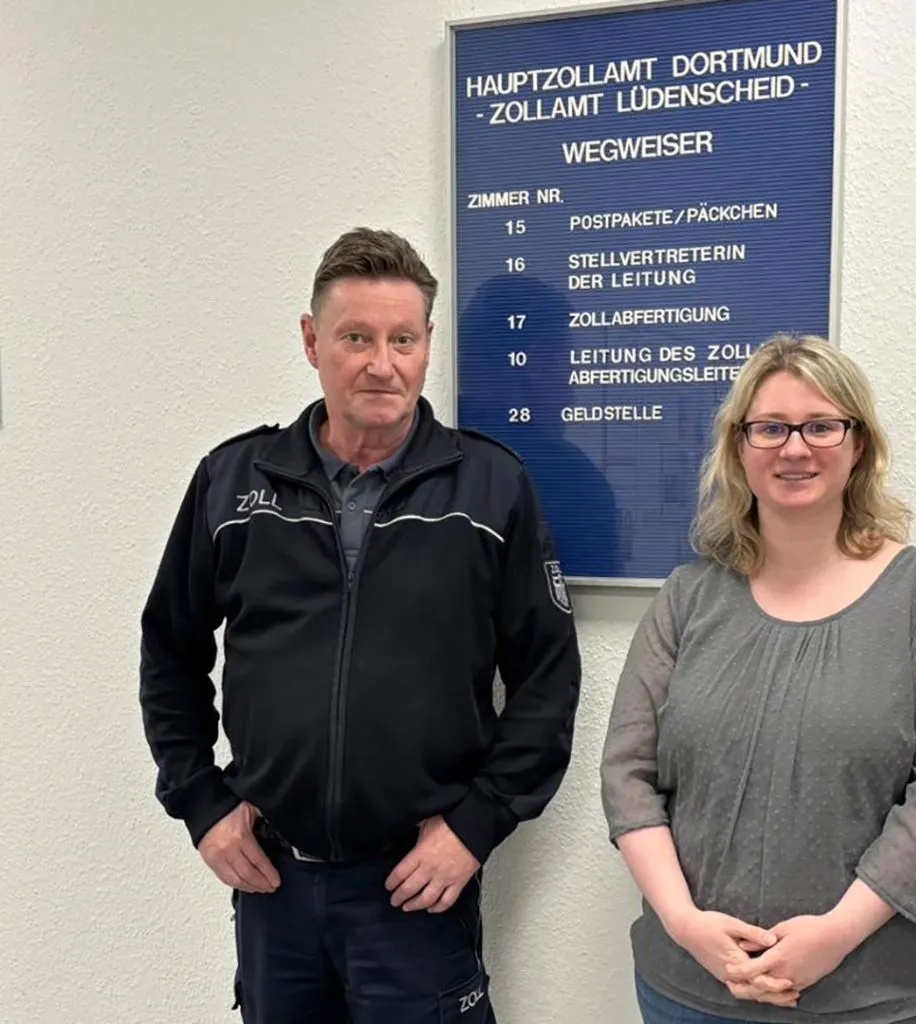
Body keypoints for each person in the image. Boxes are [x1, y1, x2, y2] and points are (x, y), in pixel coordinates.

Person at [138, 227, 583, 1022]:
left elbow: (547, 678)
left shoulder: (491, 488)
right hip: (274, 885)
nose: (383, 363)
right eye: (356, 338)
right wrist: (200, 801)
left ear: (427, 345)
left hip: (415, 888)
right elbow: (170, 648)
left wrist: (475, 827)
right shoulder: (233, 482)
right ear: (312, 341)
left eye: (402, 339)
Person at [600, 334, 916, 1023]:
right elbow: (627, 773)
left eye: (821, 426)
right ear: (739, 448)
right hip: (690, 990)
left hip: (875, 998)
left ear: (859, 444)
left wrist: (834, 936)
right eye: (770, 428)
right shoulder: (688, 598)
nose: (794, 449)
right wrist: (686, 924)